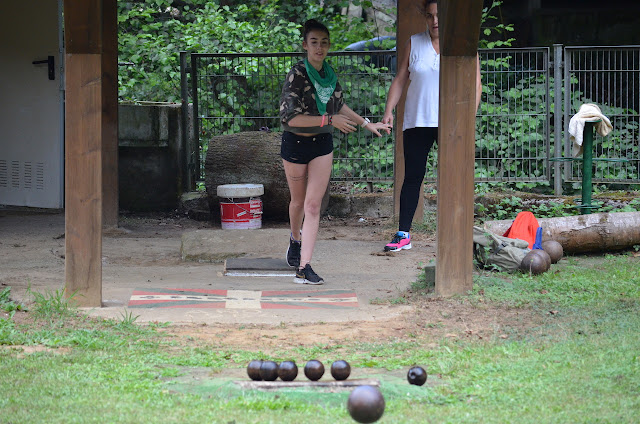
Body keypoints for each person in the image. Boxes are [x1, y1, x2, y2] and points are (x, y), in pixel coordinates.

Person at [279, 19, 392, 284]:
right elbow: (290, 120)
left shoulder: (328, 74)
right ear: (305, 45)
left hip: (322, 146)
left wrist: (366, 124)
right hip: (295, 144)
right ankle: (295, 239)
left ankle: (304, 267)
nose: (319, 47)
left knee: (313, 205)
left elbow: (338, 106)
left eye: (324, 42)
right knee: (297, 203)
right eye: (314, 42)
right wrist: (328, 121)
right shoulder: (297, 74)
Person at [381, 0, 482, 252]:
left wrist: (470, 116)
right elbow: (400, 78)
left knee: (455, 177)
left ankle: (457, 234)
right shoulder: (414, 42)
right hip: (417, 120)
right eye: (430, 16)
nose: (435, 21)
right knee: (413, 176)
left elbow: (476, 82)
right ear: (425, 17)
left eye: (439, 16)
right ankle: (403, 234)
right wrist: (388, 111)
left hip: (452, 122)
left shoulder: (462, 45)